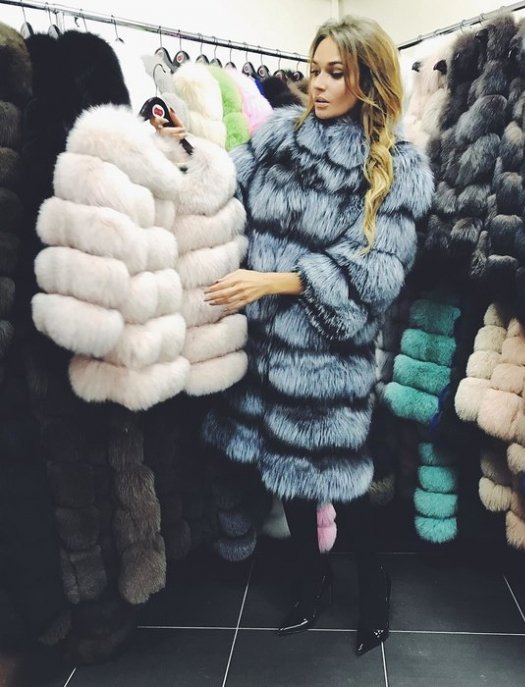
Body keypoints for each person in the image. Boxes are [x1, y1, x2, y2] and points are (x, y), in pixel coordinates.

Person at [168, 16, 433, 655]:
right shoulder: (280, 135)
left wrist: (271, 282)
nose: (318, 84)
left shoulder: (395, 165)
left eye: (336, 73)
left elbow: (375, 272)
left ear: (368, 79)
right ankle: (311, 580)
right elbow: (224, 185)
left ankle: (374, 587)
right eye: (315, 70)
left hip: (327, 357)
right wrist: (184, 148)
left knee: (343, 482)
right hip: (264, 348)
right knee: (282, 470)